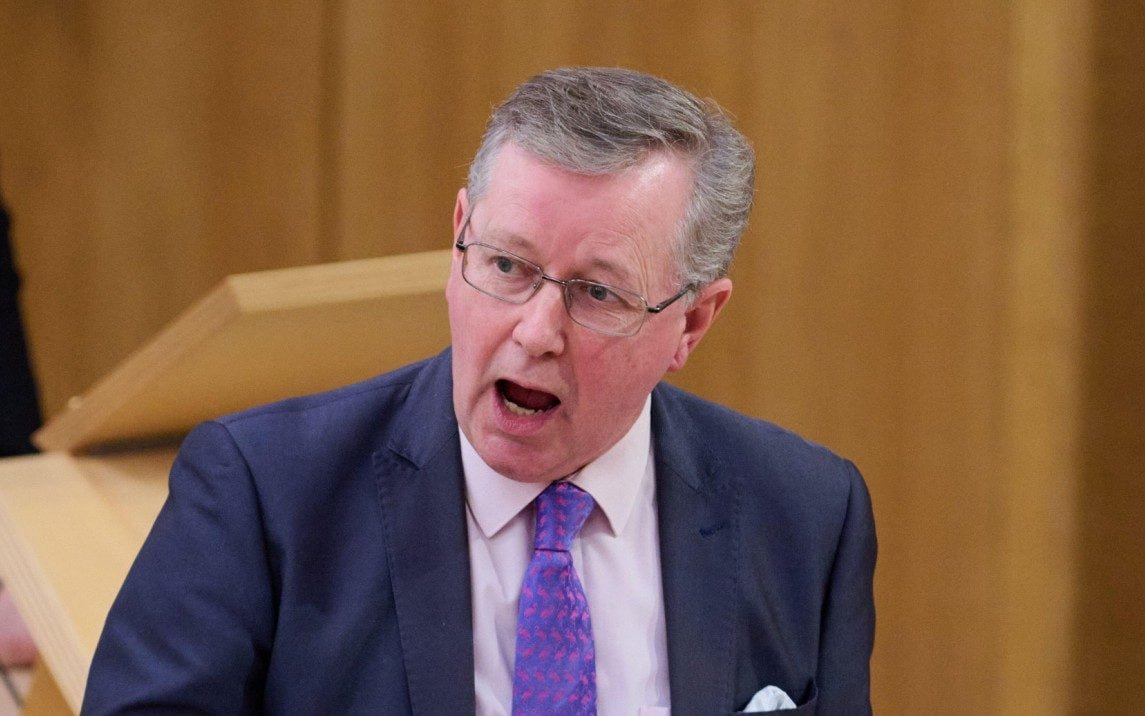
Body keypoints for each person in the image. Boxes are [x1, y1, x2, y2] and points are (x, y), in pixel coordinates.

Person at [83, 67, 876, 714]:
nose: (534, 332)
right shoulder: (263, 492)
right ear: (459, 231)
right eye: (506, 266)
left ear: (693, 322)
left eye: (597, 294)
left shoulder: (804, 512)